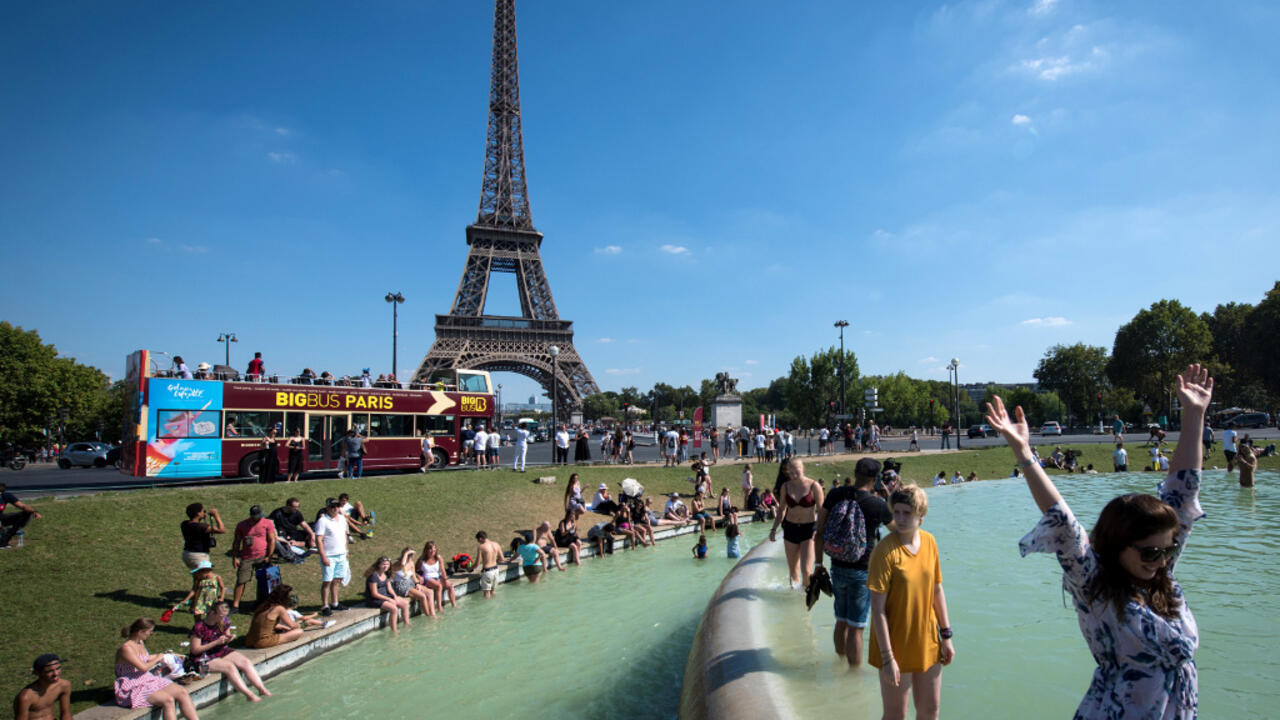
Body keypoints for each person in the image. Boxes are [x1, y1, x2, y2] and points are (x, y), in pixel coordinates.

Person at [987, 363, 1213, 719]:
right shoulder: (1096, 586)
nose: (1162, 560)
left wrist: (1194, 415)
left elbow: (1182, 494)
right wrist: (1024, 454)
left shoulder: (1160, 577)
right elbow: (1063, 522)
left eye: (1168, 550)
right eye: (1152, 552)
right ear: (1118, 543)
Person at [867, 483, 954, 720]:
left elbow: (936, 589)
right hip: (894, 643)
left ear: (921, 517)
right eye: (897, 512)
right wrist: (888, 658)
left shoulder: (930, 543)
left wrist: (946, 636)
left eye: (907, 513)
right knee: (896, 714)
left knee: (930, 711)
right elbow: (878, 610)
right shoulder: (884, 552)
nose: (900, 519)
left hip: (927, 638)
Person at [114, 618, 199, 719]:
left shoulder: (140, 642)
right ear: (140, 632)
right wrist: (158, 658)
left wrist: (170, 655)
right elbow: (143, 667)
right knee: (168, 700)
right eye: (150, 632)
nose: (151, 634)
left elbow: (145, 658)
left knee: (182, 692)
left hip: (145, 679)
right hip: (131, 685)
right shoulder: (126, 648)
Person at [188, 601, 270, 702]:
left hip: (220, 650)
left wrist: (229, 638)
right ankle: (249, 695)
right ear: (212, 613)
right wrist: (216, 642)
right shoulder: (199, 627)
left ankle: (262, 689)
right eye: (221, 616)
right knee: (229, 667)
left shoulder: (224, 621)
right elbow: (195, 650)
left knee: (245, 662)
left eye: (225, 616)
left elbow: (226, 635)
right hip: (203, 657)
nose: (224, 618)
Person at [768, 458, 826, 589]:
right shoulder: (786, 486)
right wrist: (773, 529)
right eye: (790, 470)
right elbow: (782, 509)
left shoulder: (814, 485)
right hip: (790, 528)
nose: (793, 473)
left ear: (803, 468)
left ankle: (806, 595)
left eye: (796, 469)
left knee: (806, 571)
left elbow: (822, 511)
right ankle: (794, 600)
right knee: (793, 571)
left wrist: (819, 529)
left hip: (808, 529)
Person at [230, 505, 275, 612]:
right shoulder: (242, 525)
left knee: (263, 581)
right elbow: (237, 542)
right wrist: (235, 557)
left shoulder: (267, 523)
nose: (259, 517)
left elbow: (271, 540)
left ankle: (260, 602)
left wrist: (269, 556)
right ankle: (235, 605)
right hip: (247, 557)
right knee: (241, 580)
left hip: (262, 556)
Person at [315, 498, 351, 617]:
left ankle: (335, 603)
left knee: (337, 580)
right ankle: (325, 605)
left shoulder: (342, 519)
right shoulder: (323, 521)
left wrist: (346, 550)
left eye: (337, 506)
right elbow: (319, 540)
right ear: (327, 508)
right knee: (327, 581)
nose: (335, 509)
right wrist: (323, 556)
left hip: (341, 554)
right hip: (329, 555)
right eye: (332, 507)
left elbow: (345, 535)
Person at [14, 653, 71, 720]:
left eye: (58, 668)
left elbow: (66, 715)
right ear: (37, 673)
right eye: (49, 671)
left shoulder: (64, 685)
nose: (56, 673)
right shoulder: (26, 697)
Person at [363, 556, 412, 630]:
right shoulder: (373, 576)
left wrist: (395, 596)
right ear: (379, 565)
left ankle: (407, 624)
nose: (386, 566)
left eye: (387, 564)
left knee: (405, 604)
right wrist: (388, 599)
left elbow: (389, 588)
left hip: (385, 596)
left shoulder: (386, 574)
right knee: (394, 609)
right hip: (375, 599)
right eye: (384, 564)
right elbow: (374, 593)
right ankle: (394, 630)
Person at [392, 547, 436, 616]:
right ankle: (428, 615)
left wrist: (417, 584)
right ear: (404, 555)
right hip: (401, 586)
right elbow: (402, 564)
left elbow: (414, 577)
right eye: (409, 555)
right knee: (422, 596)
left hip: (410, 583)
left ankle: (433, 613)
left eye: (411, 555)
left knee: (430, 592)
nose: (410, 557)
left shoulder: (411, 563)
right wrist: (407, 553)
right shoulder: (397, 564)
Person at [269, 497, 315, 562]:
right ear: (288, 506)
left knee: (312, 532)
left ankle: (302, 545)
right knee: (283, 542)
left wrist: (312, 534)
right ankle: (295, 549)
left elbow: (304, 524)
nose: (296, 509)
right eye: (294, 507)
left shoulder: (297, 513)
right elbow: (270, 524)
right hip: (282, 534)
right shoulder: (277, 513)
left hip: (294, 533)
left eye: (297, 507)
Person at [180, 503, 224, 570]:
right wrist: (216, 515)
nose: (204, 513)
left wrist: (201, 517)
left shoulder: (184, 524)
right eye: (203, 511)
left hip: (187, 553)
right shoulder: (201, 527)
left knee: (197, 577)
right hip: (199, 556)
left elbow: (195, 525)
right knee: (207, 577)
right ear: (198, 513)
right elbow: (221, 530)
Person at [417, 541, 458, 609]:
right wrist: (418, 577)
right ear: (426, 550)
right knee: (439, 586)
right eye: (430, 549)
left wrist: (445, 579)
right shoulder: (421, 560)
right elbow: (415, 570)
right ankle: (439, 607)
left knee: (450, 585)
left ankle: (454, 605)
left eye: (434, 548)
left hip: (438, 576)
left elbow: (442, 570)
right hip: (427, 578)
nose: (432, 550)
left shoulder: (438, 558)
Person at [0, 482, 41, 549]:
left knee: (26, 513)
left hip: (2, 518)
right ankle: (3, 539)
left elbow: (22, 506)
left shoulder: (6, 496)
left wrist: (34, 512)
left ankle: (5, 538)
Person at [474, 531, 507, 598]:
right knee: (493, 591)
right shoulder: (496, 544)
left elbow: (477, 563)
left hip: (488, 572)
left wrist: (470, 568)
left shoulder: (481, 547)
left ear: (480, 539)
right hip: (496, 570)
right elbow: (502, 559)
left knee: (486, 593)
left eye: (478, 540)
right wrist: (495, 560)